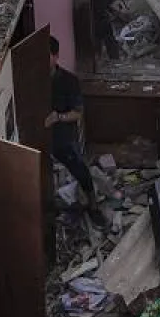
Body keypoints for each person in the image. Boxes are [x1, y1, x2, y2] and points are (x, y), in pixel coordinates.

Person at [45, 36, 97, 209]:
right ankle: (49, 208)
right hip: (41, 136)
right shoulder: (33, 80)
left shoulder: (68, 81)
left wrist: (58, 117)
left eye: (46, 56)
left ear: (56, 56)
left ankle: (93, 204)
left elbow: (77, 113)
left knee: (79, 170)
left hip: (63, 136)